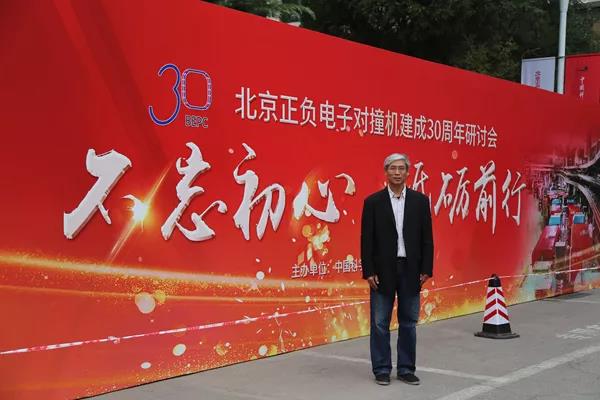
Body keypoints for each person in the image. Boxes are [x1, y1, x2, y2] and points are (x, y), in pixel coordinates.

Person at [361, 153, 434, 386]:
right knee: (380, 322)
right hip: (382, 271)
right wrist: (368, 271)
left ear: (407, 172)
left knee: (409, 321)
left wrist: (426, 268)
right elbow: (367, 240)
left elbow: (427, 239)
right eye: (392, 168)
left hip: (411, 269)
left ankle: (406, 369)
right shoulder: (373, 202)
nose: (397, 172)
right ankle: (382, 369)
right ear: (386, 172)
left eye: (401, 168)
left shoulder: (420, 201)